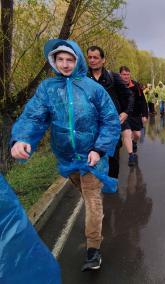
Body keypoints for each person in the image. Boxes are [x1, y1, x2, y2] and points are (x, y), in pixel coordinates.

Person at [10, 39, 121, 271]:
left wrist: (99, 149)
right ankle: (97, 220)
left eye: (70, 59)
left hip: (92, 158)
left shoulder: (93, 88)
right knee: (87, 196)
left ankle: (93, 250)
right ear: (53, 61)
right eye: (60, 59)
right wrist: (21, 138)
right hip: (67, 160)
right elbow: (33, 116)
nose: (65, 64)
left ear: (78, 60)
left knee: (92, 200)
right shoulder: (48, 89)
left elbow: (110, 121)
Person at [87, 46, 134, 189]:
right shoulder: (83, 78)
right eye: (89, 57)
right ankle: (96, 185)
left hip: (111, 125)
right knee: (93, 155)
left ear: (103, 60)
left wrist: (125, 113)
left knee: (112, 156)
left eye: (96, 57)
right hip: (91, 125)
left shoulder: (113, 77)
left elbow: (129, 96)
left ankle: (111, 185)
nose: (92, 60)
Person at [119, 66, 149, 166]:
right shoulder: (116, 85)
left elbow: (143, 101)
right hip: (123, 115)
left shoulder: (136, 85)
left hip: (136, 114)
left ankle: (134, 142)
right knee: (127, 133)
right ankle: (131, 156)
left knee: (137, 135)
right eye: (124, 74)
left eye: (128, 74)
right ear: (120, 75)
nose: (126, 76)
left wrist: (145, 114)